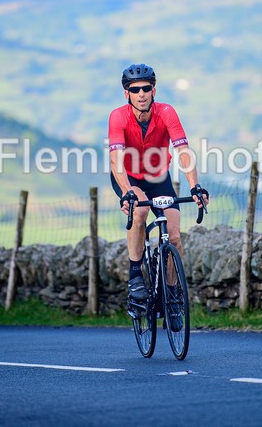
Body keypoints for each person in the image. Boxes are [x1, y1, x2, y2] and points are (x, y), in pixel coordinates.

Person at [108, 64, 209, 329]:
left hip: (158, 177)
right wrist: (128, 192)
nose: (141, 94)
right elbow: (116, 159)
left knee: (173, 236)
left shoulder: (166, 112)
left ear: (154, 90)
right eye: (134, 89)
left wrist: (195, 186)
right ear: (126, 93)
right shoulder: (118, 117)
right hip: (128, 177)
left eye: (145, 88)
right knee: (140, 211)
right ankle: (135, 276)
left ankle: (173, 297)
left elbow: (183, 151)